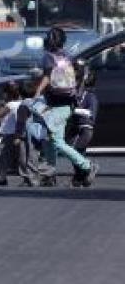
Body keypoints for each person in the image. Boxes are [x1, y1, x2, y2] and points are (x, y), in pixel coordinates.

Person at [34, 27, 99, 186]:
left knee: (56, 141)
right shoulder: (68, 56)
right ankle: (48, 175)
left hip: (55, 104)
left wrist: (37, 92)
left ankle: (87, 166)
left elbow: (47, 78)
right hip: (67, 103)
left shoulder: (48, 58)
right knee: (51, 139)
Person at [67, 61, 99, 187]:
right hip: (75, 126)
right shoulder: (78, 94)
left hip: (85, 127)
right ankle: (80, 175)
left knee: (77, 150)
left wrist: (74, 110)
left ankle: (85, 171)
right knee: (74, 150)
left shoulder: (91, 97)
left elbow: (91, 114)